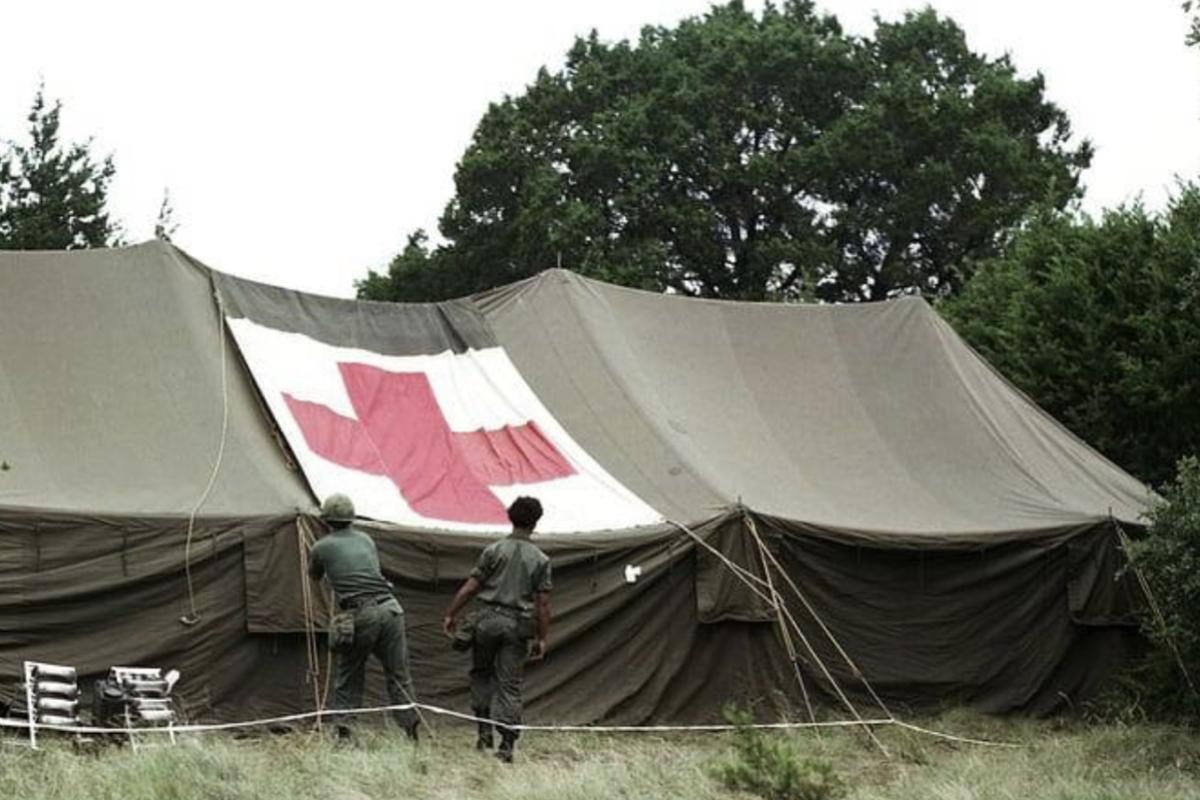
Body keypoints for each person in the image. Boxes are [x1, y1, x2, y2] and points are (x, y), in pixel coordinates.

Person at [443, 496, 552, 763]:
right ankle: (507, 745)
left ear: (510, 517)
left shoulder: (494, 550)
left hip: (487, 621)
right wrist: (542, 637)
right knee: (510, 685)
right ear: (536, 522)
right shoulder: (541, 560)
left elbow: (471, 587)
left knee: (481, 674)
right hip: (517, 625)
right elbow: (543, 604)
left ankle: (483, 734)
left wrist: (451, 613)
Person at [308, 492, 420, 741]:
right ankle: (411, 732)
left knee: (349, 674)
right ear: (351, 518)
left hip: (360, 612)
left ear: (327, 519)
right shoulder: (366, 539)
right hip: (391, 608)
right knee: (399, 674)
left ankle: (345, 735)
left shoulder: (321, 547)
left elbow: (314, 575)